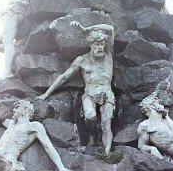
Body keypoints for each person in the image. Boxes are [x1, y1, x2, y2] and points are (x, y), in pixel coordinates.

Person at [38, 22, 115, 153]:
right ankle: (93, 134)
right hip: (90, 94)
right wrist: (46, 94)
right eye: (97, 44)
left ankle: (107, 153)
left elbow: (110, 28)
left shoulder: (108, 55)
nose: (100, 47)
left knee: (106, 123)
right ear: (90, 44)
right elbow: (64, 77)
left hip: (106, 93)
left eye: (102, 44)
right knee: (90, 116)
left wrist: (86, 28)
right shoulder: (82, 60)